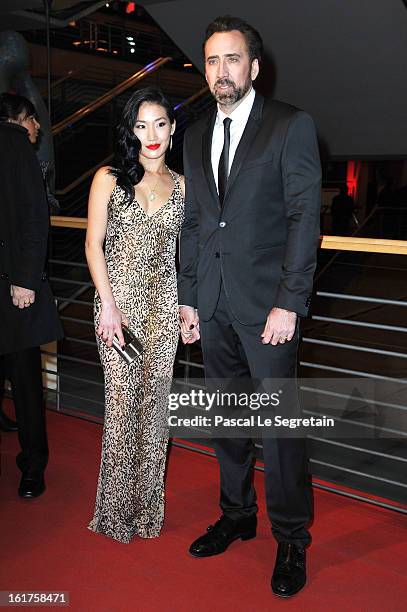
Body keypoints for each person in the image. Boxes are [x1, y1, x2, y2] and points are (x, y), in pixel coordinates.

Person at [178, 16, 321, 598]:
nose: (221, 72)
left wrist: (290, 302)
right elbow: (193, 224)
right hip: (210, 305)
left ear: (254, 67)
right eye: (211, 61)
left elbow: (303, 219)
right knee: (226, 422)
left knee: (281, 433)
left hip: (269, 312)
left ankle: (291, 538)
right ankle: (236, 514)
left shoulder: (290, 126)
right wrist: (187, 299)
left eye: (232, 59)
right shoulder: (192, 135)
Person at [85, 87, 184, 543]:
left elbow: (185, 253)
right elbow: (93, 244)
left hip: (164, 308)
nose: (151, 134)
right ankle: (115, 514)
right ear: (129, 130)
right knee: (123, 408)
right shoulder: (108, 176)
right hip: (117, 309)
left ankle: (147, 513)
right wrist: (107, 305)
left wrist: (187, 307)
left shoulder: (182, 186)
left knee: (156, 411)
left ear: (172, 128)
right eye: (141, 125)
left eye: (159, 123)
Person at [0, 92, 63, 497]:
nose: (37, 128)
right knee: (25, 381)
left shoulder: (15, 146)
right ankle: (32, 466)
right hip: (14, 289)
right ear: (18, 119)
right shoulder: (16, 143)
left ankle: (33, 466)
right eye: (33, 119)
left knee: (24, 376)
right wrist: (25, 279)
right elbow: (36, 215)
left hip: (12, 286)